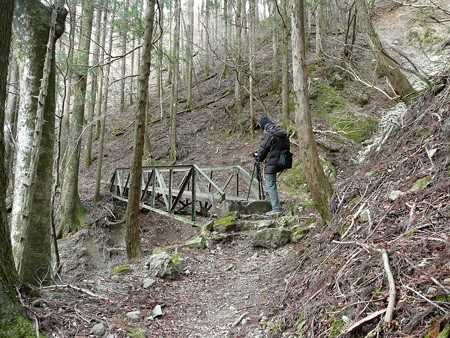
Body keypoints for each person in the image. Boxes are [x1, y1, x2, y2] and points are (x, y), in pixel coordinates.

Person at [255, 116, 290, 215]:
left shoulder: (269, 133)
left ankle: (276, 208)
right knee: (271, 184)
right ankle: (273, 203)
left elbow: (263, 149)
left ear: (263, 125)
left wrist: (258, 157)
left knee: (270, 184)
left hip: (272, 163)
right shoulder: (282, 133)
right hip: (283, 161)